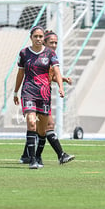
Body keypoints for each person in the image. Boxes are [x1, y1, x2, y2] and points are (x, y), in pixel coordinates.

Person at [19, 30, 75, 166]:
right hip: (33, 94)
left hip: (44, 95)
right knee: (40, 125)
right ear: (44, 42)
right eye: (51, 42)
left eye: (56, 43)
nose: (54, 45)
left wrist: (62, 80)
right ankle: (50, 155)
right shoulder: (35, 56)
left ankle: (29, 156)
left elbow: (50, 75)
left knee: (41, 126)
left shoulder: (49, 56)